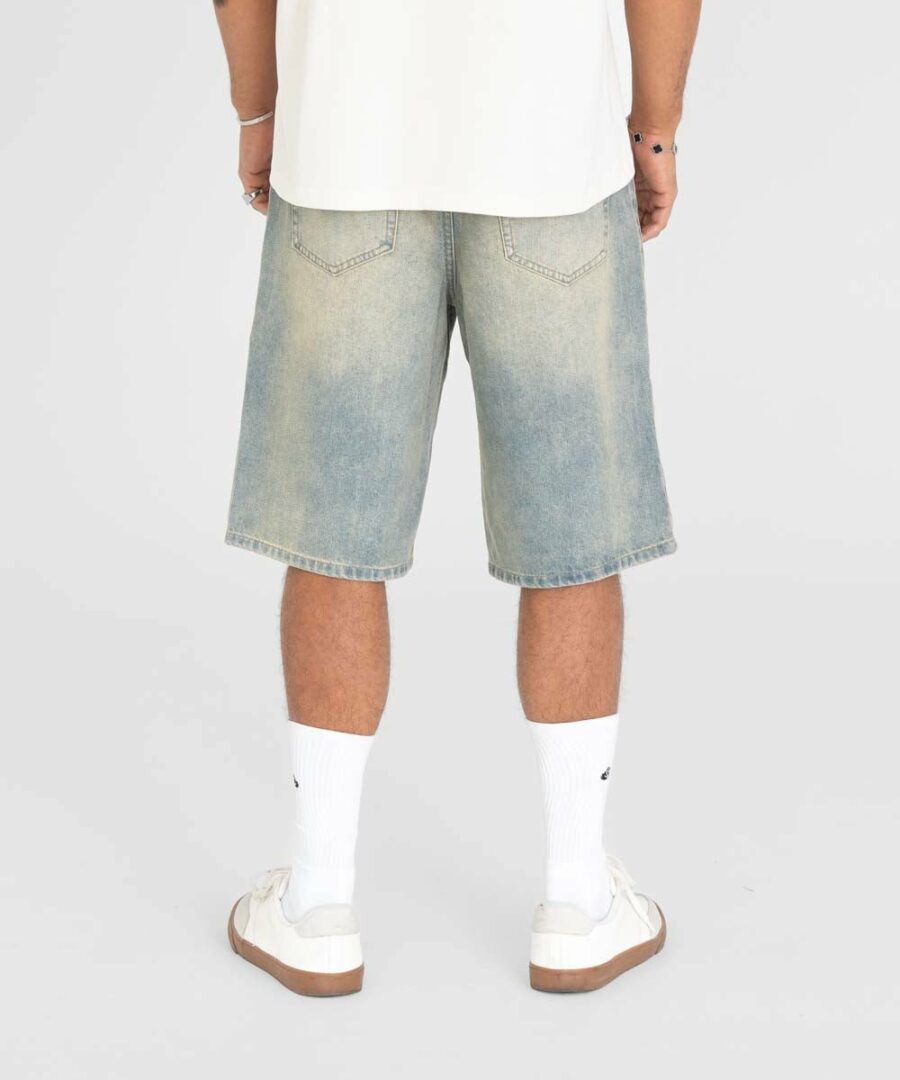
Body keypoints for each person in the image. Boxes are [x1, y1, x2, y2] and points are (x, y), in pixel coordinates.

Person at [214, 0, 701, 996]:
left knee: (333, 534)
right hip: (551, 155)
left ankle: (316, 905)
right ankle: (578, 905)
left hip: (346, 147)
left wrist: (260, 110)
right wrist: (654, 128)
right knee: (570, 532)